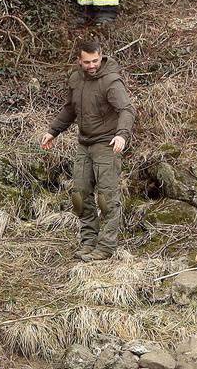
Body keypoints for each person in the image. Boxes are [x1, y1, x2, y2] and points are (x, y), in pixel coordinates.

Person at [41, 35, 134, 261]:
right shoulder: (75, 79)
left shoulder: (111, 81)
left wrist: (121, 135)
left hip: (107, 144)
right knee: (80, 196)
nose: (92, 66)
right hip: (84, 144)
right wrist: (53, 130)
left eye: (95, 61)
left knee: (107, 198)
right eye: (87, 62)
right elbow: (70, 110)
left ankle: (105, 247)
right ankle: (88, 242)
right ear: (79, 61)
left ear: (101, 57)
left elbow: (127, 110)